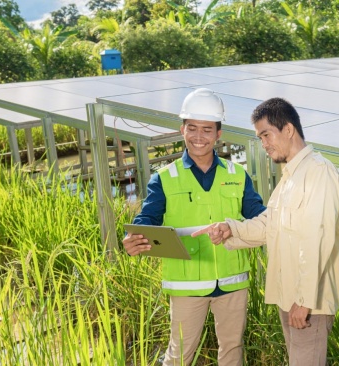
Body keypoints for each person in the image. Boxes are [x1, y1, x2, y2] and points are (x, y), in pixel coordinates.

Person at [193, 97, 339, 366]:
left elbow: (318, 240)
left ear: (288, 130)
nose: (263, 144)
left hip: (307, 302)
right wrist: (230, 229)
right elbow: (269, 225)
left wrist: (305, 300)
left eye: (266, 135)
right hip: (289, 298)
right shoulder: (289, 178)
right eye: (260, 137)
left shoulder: (318, 173)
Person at [122, 88, 266, 366]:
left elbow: (258, 217)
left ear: (218, 134)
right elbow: (147, 219)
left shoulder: (238, 175)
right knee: (178, 356)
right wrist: (133, 237)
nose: (199, 137)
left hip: (233, 281)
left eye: (207, 130)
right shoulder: (164, 178)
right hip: (186, 286)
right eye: (192, 128)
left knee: (233, 350)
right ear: (182, 129)